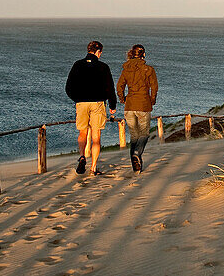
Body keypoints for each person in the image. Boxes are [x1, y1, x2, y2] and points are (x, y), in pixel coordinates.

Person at [65, 40, 117, 176]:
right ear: (98, 52)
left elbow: (68, 87)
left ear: (88, 50)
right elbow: (110, 88)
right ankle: (93, 167)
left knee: (82, 133)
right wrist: (112, 106)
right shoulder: (104, 67)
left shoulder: (77, 65)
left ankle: (82, 156)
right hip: (98, 103)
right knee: (96, 137)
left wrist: (77, 99)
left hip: (81, 103)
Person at [116, 44, 158, 173]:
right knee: (144, 133)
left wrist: (123, 99)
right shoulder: (148, 69)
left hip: (130, 105)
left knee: (134, 136)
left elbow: (119, 87)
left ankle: (136, 166)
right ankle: (137, 154)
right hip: (143, 104)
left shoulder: (125, 69)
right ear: (143, 54)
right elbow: (154, 87)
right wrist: (152, 100)